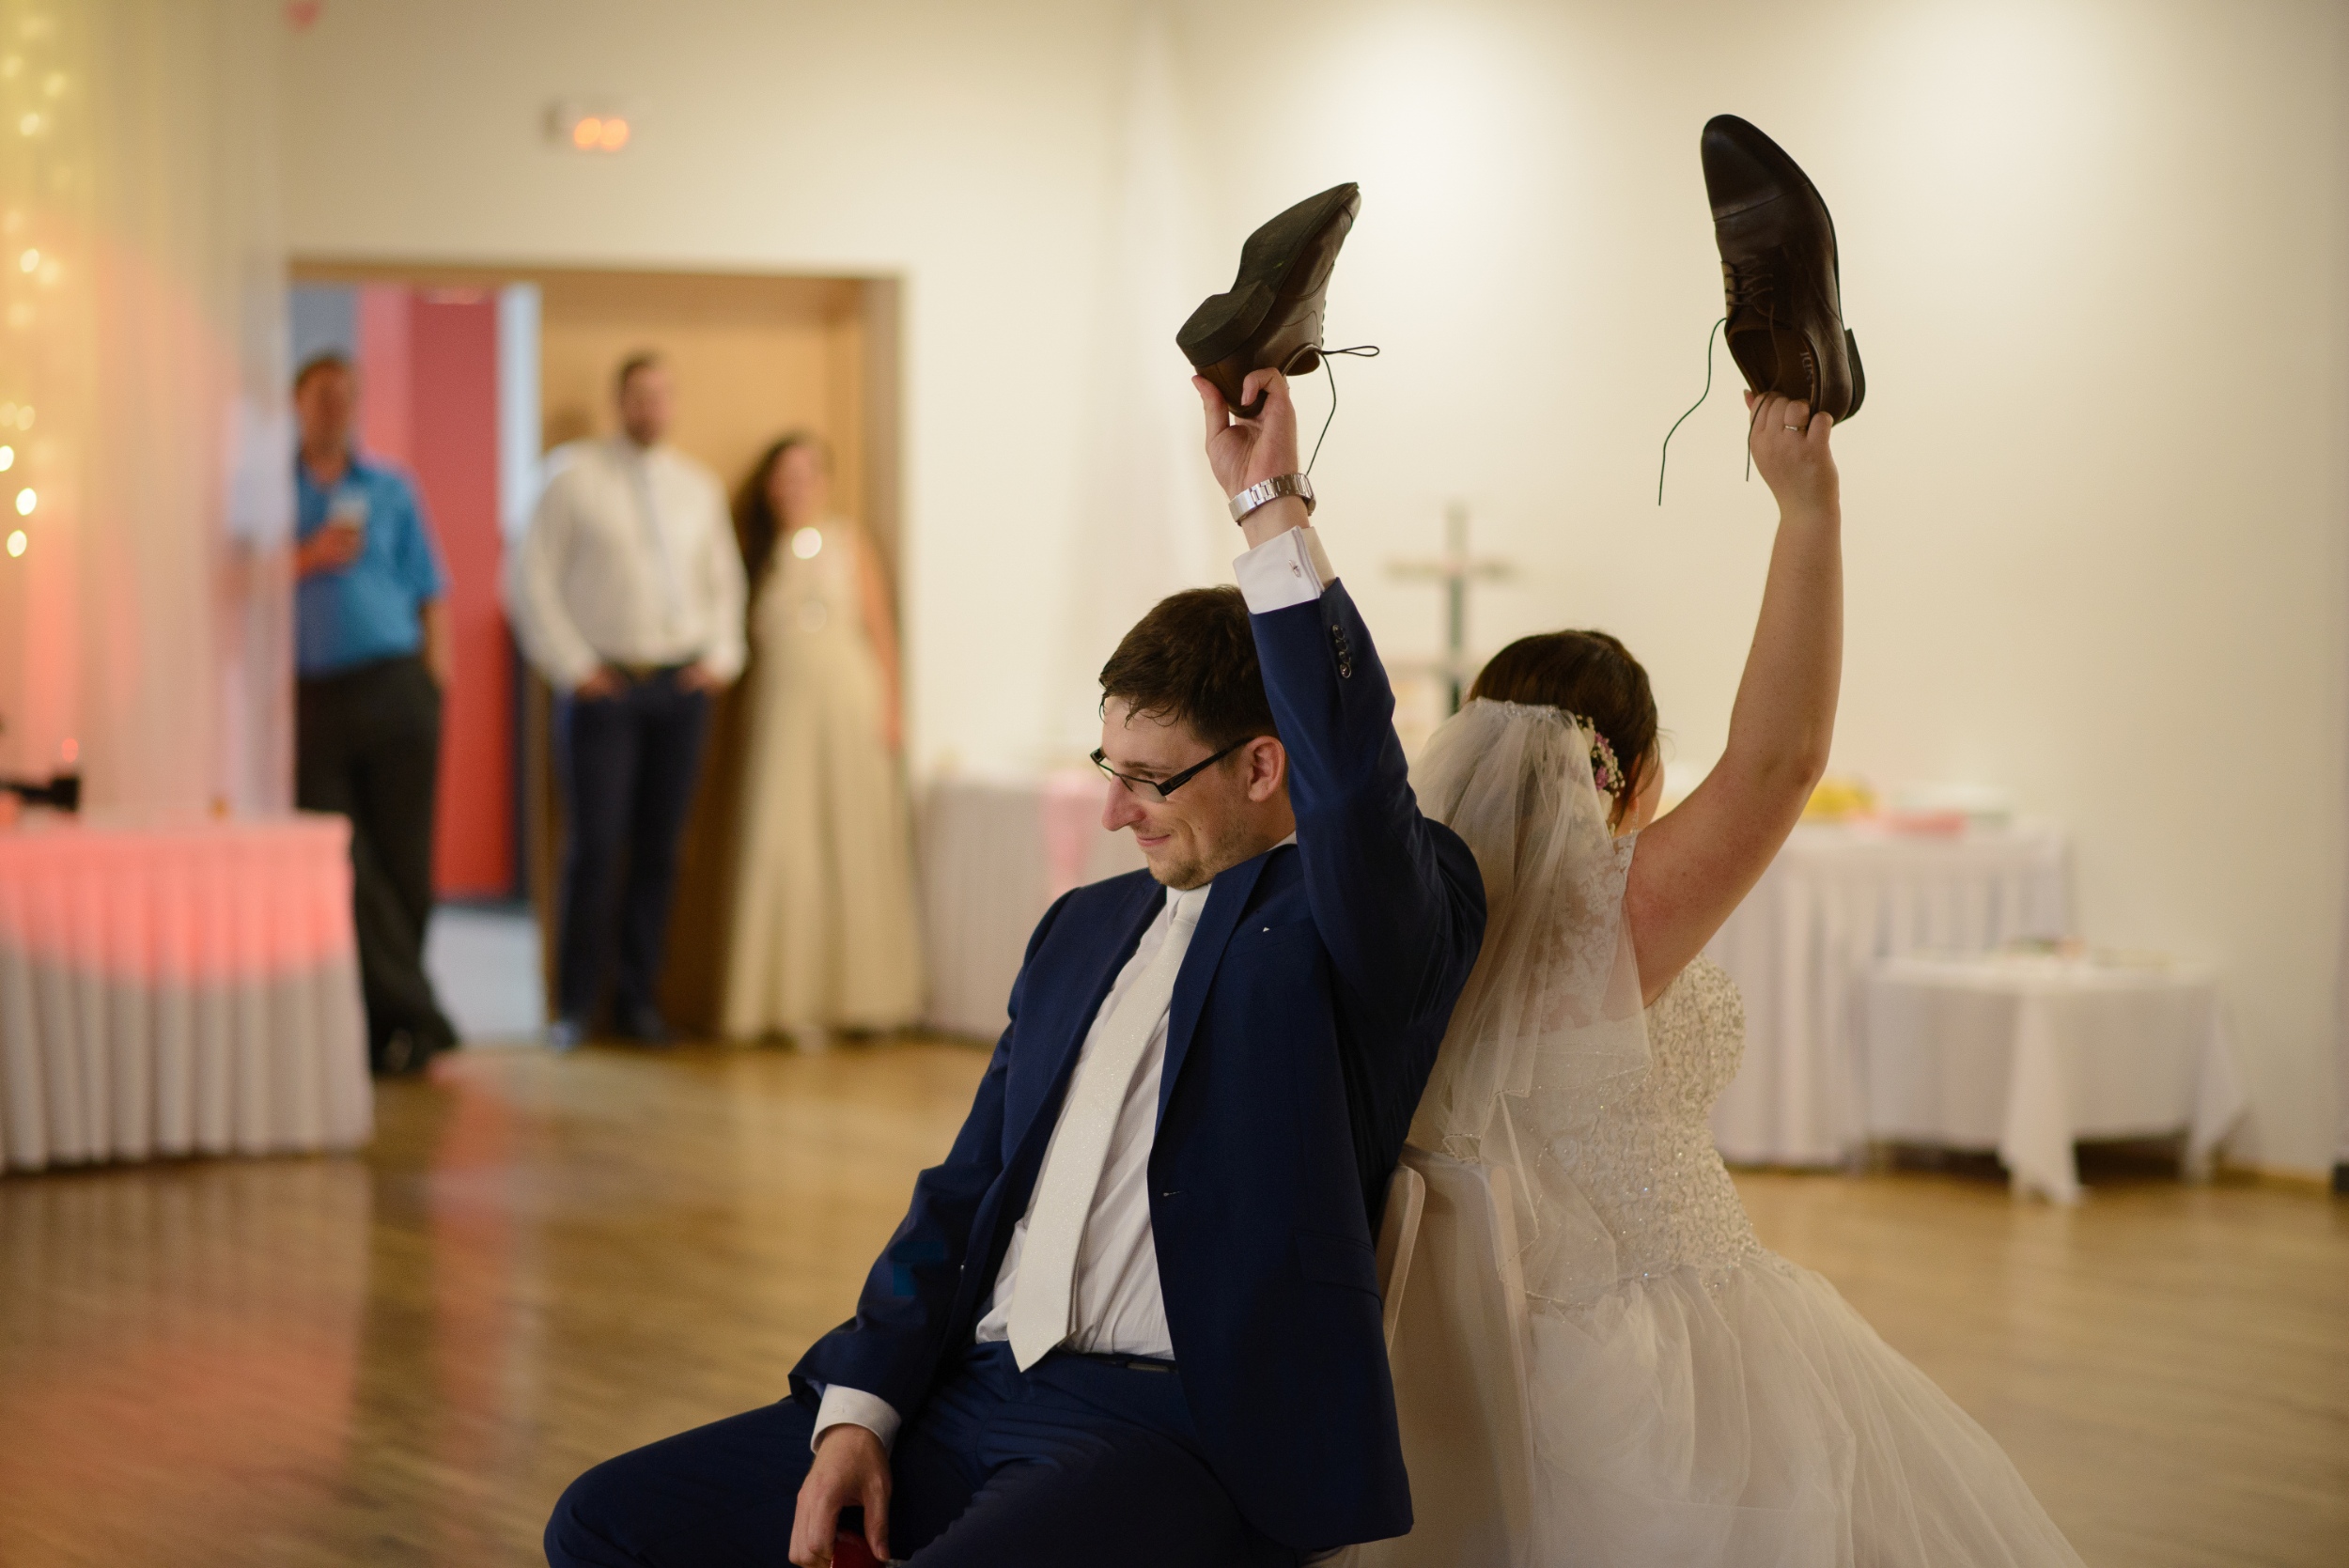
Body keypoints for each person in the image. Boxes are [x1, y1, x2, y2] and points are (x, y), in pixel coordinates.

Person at [542, 368, 1487, 1568]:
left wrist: (1270, 508)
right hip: (968, 1387)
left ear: (1261, 766)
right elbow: (967, 1184)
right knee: (603, 1522)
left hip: (1171, 1428)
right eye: (1107, 767)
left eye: (1148, 780)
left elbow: (1351, 777)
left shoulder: (1364, 917)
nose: (1112, 813)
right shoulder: (1082, 928)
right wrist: (861, 1408)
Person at [1404, 391, 2086, 1565]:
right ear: (1636, 775)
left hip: (1478, 1352)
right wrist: (1806, 510)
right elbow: (1779, 762)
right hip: (1657, 1347)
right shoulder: (1603, 922)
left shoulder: (1423, 917)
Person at [506, 353, 747, 1048]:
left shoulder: (696, 487)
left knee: (660, 851)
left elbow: (724, 583)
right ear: (620, 402)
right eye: (639, 395)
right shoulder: (571, 478)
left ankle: (641, 1001)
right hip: (603, 689)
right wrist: (574, 667)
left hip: (681, 689)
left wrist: (720, 659)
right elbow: (529, 578)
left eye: (662, 395)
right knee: (595, 847)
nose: (651, 407)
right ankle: (577, 1006)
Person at [721, 433, 924, 1048]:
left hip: (848, 707)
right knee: (786, 843)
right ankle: (791, 1002)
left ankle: (867, 999)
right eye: (785, 475)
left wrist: (892, 709)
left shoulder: (848, 544)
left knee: (852, 842)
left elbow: (880, 631)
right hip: (783, 714)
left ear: (825, 481)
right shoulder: (758, 556)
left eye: (807, 473)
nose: (797, 486)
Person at [288, 351, 458, 1077]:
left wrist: (436, 685)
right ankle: (412, 1010)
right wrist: (309, 555)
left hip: (395, 685)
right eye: (322, 394)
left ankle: (398, 1030)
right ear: (298, 402)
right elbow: (236, 581)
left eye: (346, 395)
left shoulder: (391, 488)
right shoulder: (272, 492)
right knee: (342, 859)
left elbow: (431, 590)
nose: (335, 407)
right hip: (313, 695)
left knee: (404, 860)